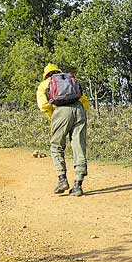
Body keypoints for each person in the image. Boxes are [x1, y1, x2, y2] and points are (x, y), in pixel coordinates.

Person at [37, 64, 92, 196]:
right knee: (79, 146)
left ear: (46, 75)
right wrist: (80, 115)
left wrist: (54, 117)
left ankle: (62, 180)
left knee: (56, 146)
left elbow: (43, 105)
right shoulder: (70, 80)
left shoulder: (44, 84)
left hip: (61, 112)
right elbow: (85, 102)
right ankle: (78, 185)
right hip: (79, 110)